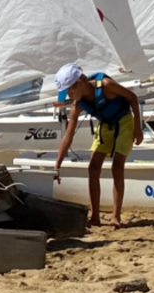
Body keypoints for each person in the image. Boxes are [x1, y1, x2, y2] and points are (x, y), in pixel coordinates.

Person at [53, 63, 142, 228]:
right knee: (93, 168)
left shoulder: (106, 85)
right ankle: (95, 216)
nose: (68, 96)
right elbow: (68, 135)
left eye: (69, 92)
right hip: (105, 124)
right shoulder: (77, 105)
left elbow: (132, 97)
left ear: (80, 82)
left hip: (124, 121)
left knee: (117, 166)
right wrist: (57, 165)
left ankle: (115, 216)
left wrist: (138, 128)